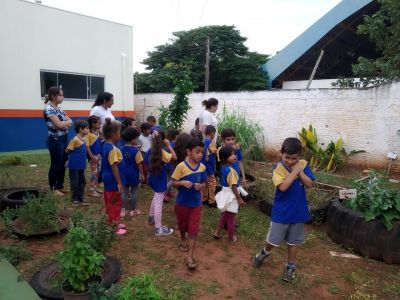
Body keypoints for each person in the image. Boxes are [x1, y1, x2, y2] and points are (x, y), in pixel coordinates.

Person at [252, 137, 315, 283]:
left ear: (300, 155)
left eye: (295, 158)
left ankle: (290, 268)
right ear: (281, 154)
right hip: (281, 212)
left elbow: (310, 184)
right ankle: (264, 252)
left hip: (298, 212)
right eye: (287, 157)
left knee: (294, 242)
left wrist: (300, 171)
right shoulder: (278, 168)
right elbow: (283, 187)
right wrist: (295, 171)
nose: (291, 161)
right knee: (273, 241)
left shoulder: (303, 165)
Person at [172, 138, 207, 271]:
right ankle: (182, 239)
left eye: (201, 152)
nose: (200, 155)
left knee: (193, 229)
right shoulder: (181, 167)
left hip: (196, 204)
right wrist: (182, 183)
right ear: (188, 152)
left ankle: (190, 257)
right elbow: (173, 182)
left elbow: (204, 183)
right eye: (197, 152)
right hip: (182, 203)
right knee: (182, 225)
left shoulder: (202, 167)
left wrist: (201, 186)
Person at [144, 131, 177, 236]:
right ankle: (158, 228)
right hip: (160, 180)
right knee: (159, 202)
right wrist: (168, 145)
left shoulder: (150, 151)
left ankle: (151, 217)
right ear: (163, 141)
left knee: (156, 197)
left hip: (152, 179)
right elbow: (175, 157)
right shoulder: (162, 153)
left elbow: (145, 162)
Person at [43, 86, 72, 196]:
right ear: (53, 96)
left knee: (64, 162)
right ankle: (52, 188)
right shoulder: (49, 109)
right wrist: (64, 124)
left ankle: (59, 186)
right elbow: (59, 125)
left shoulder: (59, 109)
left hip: (64, 138)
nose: (62, 97)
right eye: (60, 95)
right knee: (56, 163)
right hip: (55, 140)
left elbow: (70, 121)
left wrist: (63, 124)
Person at [213, 146, 245, 242]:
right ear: (223, 158)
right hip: (231, 196)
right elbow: (234, 186)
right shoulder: (231, 171)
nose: (234, 156)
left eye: (234, 154)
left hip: (225, 193)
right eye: (231, 155)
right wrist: (239, 199)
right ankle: (231, 237)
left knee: (226, 215)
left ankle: (217, 232)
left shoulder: (223, 167)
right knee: (231, 218)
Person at [101, 119, 126, 235]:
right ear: (113, 135)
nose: (120, 135)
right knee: (115, 203)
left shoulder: (105, 145)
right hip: (113, 180)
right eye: (119, 133)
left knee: (109, 201)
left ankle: (113, 221)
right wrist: (119, 183)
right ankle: (114, 226)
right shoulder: (113, 149)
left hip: (107, 179)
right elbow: (114, 166)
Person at [121, 128, 144, 218]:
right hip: (134, 174)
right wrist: (142, 174)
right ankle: (133, 210)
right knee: (134, 191)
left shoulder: (121, 149)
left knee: (125, 192)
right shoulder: (136, 151)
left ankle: (124, 209)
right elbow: (139, 164)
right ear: (133, 139)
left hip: (123, 173)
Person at [66, 120, 90, 206]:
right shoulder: (75, 139)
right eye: (87, 128)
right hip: (74, 165)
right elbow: (68, 150)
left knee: (82, 181)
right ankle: (74, 198)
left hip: (81, 165)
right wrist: (69, 160)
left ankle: (81, 197)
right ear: (81, 129)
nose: (88, 130)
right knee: (74, 182)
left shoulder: (84, 139)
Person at [86, 115, 103, 197]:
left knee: (98, 171)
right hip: (93, 156)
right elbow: (87, 146)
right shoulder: (88, 133)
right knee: (94, 172)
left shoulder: (98, 132)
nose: (100, 125)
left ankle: (95, 187)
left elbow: (103, 137)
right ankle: (91, 190)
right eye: (99, 124)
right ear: (93, 124)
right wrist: (91, 156)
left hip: (98, 154)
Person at [201, 125, 218, 207]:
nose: (214, 136)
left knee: (205, 183)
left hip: (203, 166)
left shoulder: (203, 142)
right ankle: (211, 201)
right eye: (214, 134)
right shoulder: (211, 143)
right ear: (212, 133)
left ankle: (204, 199)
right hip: (209, 167)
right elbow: (215, 153)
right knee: (212, 183)